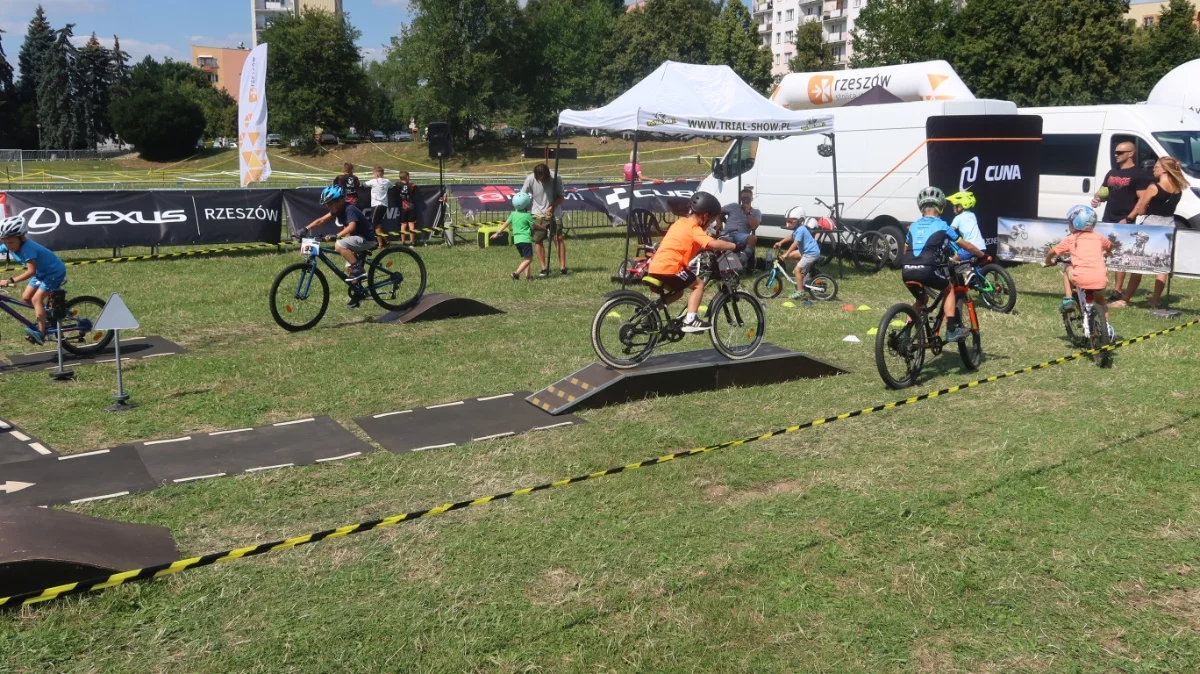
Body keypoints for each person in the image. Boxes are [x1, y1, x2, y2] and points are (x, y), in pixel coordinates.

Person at [645, 192, 742, 332]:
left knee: (678, 292)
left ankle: (651, 311)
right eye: (712, 219)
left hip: (656, 266)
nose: (711, 223)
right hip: (672, 267)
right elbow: (711, 244)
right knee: (698, 285)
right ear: (705, 216)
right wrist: (735, 246)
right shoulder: (694, 228)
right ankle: (691, 320)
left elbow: (691, 241)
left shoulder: (680, 223)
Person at [899, 187, 986, 343]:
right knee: (949, 289)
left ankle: (905, 333)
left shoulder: (913, 226)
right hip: (927, 269)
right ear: (940, 207)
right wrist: (982, 255)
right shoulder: (943, 226)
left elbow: (906, 250)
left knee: (921, 299)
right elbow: (967, 246)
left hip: (907, 271)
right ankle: (951, 330)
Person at [1111, 156, 1187, 309]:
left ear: (1165, 170)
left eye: (1157, 166)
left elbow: (1141, 209)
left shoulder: (1154, 187)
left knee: (1138, 264)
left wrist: (1139, 210)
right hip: (1168, 226)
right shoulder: (1178, 188)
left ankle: (1125, 299)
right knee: (1161, 266)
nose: (1154, 169)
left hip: (1150, 226)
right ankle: (1155, 301)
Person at [1093, 141, 1152, 302]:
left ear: (1131, 154)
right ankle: (1098, 285)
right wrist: (1097, 199)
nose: (1116, 155)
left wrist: (1129, 218)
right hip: (1107, 219)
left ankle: (1117, 290)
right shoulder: (1112, 172)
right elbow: (1104, 191)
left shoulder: (1139, 175)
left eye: (1120, 152)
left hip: (1125, 221)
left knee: (1121, 257)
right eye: (1115, 152)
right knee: (1102, 254)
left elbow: (1142, 200)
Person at [303, 185, 376, 307]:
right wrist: (304, 229)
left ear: (340, 200)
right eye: (327, 204)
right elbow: (321, 220)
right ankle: (358, 292)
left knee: (339, 245)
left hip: (366, 239)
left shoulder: (349, 209)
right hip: (357, 238)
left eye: (330, 203)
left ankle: (359, 268)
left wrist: (336, 236)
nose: (329, 206)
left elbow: (351, 227)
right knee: (349, 269)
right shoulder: (338, 209)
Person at [0, 215, 67, 345]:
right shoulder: (10, 245)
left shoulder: (28, 249)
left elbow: (31, 271)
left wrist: (10, 280)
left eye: (11, 242)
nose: (8, 246)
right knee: (26, 297)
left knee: (37, 299)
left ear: (22, 237)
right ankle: (46, 318)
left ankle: (41, 332)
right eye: (5, 242)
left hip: (54, 272)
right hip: (42, 272)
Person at [1043, 205, 1112, 324]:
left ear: (1075, 224)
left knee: (1067, 268)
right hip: (1100, 279)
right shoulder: (1098, 237)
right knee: (1101, 302)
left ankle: (1068, 299)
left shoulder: (1071, 239)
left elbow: (1052, 252)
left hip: (1081, 278)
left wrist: (1048, 261)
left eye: (1070, 223)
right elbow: (1110, 246)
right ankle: (1107, 328)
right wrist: (1105, 253)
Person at [521, 163, 567, 276]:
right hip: (537, 214)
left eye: (544, 177)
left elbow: (561, 197)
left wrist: (553, 206)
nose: (542, 179)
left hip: (554, 213)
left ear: (547, 174)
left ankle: (562, 267)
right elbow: (522, 196)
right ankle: (543, 268)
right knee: (538, 240)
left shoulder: (556, 178)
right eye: (539, 177)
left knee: (558, 238)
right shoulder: (530, 179)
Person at [773, 206, 822, 300]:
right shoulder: (798, 229)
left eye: (791, 221)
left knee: (796, 270)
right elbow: (791, 237)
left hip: (810, 253)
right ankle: (803, 274)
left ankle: (800, 291)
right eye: (787, 220)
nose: (788, 223)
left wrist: (786, 253)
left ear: (800, 220)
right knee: (793, 256)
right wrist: (780, 242)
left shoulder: (801, 229)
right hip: (806, 252)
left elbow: (795, 243)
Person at [492, 192, 535, 280]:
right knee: (529, 259)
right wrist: (542, 227)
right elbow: (534, 226)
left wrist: (497, 233)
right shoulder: (527, 216)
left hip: (517, 241)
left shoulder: (513, 214)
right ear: (526, 204)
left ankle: (528, 276)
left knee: (526, 258)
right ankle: (516, 273)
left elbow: (505, 224)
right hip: (525, 240)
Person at [720, 186, 760, 263]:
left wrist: (748, 212)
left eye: (747, 198)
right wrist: (719, 222)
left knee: (753, 238)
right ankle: (727, 263)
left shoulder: (756, 212)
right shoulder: (734, 206)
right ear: (740, 199)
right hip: (728, 233)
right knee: (722, 240)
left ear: (751, 198)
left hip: (742, 235)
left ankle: (741, 260)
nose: (745, 200)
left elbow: (754, 226)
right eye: (743, 198)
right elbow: (717, 210)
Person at [363, 166, 392, 247]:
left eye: (373, 174)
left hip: (376, 205)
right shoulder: (387, 181)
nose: (373, 176)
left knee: (374, 225)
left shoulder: (374, 181)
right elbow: (392, 186)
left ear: (377, 174)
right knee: (378, 224)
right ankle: (385, 242)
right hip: (384, 205)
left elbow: (364, 184)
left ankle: (380, 244)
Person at [395, 171, 420, 246]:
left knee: (403, 224)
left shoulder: (398, 185)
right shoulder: (411, 185)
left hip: (402, 207)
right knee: (411, 224)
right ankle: (412, 242)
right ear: (408, 177)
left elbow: (397, 184)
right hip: (411, 206)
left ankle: (403, 242)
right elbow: (413, 189)